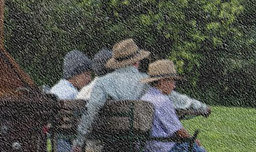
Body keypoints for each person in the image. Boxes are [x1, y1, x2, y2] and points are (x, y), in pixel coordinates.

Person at [71, 38, 152, 152]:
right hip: (139, 145)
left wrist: (79, 142)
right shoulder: (147, 82)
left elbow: (91, 110)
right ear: (136, 62)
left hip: (111, 143)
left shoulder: (104, 82)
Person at [78, 46, 212, 119]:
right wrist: (201, 107)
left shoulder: (85, 91)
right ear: (136, 62)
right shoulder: (142, 83)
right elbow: (176, 99)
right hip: (127, 143)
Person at [47, 50, 93, 152]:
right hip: (62, 144)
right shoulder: (75, 95)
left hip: (50, 141)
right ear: (74, 75)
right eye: (86, 75)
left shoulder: (55, 89)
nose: (89, 79)